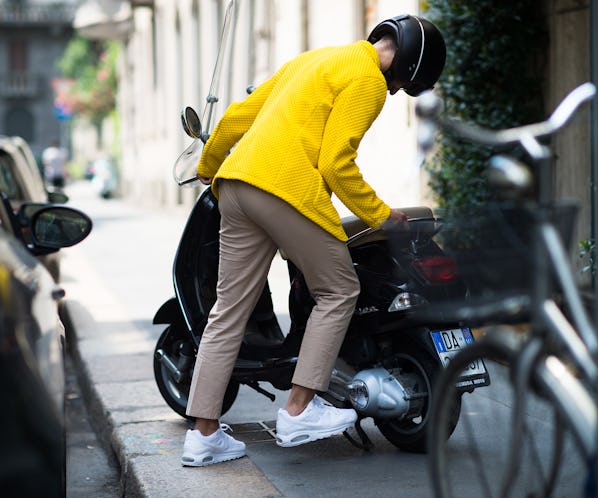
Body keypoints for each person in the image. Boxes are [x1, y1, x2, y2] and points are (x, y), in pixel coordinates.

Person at [180, 14, 447, 467]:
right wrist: (383, 216)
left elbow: (236, 117)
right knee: (339, 289)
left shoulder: (316, 59)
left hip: (235, 185)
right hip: (285, 190)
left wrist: (207, 165)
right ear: (409, 67)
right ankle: (299, 410)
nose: (397, 90)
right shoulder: (369, 81)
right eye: (404, 84)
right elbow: (336, 164)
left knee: (227, 312)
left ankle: (203, 437)